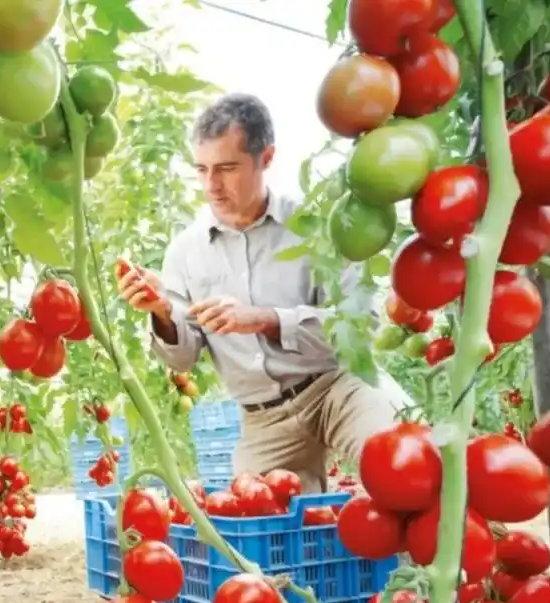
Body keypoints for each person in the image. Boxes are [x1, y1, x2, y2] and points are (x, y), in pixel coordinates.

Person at [117, 93, 412, 494]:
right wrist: (163, 313)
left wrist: (267, 319)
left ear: (266, 158)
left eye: (226, 168)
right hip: (263, 418)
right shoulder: (186, 252)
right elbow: (182, 358)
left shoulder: (316, 225)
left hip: (339, 386)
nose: (211, 186)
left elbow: (362, 324)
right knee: (264, 527)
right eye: (201, 170)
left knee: (402, 465)